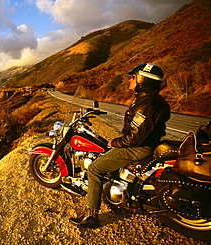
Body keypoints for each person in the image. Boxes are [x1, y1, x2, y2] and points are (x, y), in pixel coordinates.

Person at [69, 63, 171, 228]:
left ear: (142, 81)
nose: (129, 80)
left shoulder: (147, 104)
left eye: (133, 77)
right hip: (143, 144)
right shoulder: (148, 99)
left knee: (95, 168)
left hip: (138, 148)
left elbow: (135, 138)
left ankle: (91, 216)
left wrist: (115, 142)